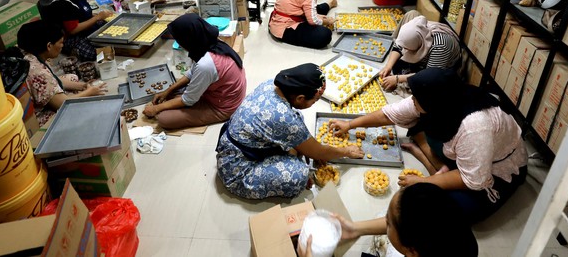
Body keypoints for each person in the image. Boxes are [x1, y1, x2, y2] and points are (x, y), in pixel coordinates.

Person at [330, 68, 527, 224]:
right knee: (420, 125)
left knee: (451, 211)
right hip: (469, 153)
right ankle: (438, 165)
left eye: (415, 98)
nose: (412, 101)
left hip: (496, 169)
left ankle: (432, 162)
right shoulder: (441, 96)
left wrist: (424, 182)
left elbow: (473, 179)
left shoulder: (475, 126)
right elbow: (388, 114)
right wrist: (350, 124)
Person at [216, 64, 364, 199]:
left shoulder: (271, 85)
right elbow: (318, 152)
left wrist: (306, 149)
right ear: (300, 98)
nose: (313, 104)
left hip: (237, 141)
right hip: (237, 167)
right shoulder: (284, 119)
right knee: (298, 175)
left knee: (298, 118)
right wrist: (346, 151)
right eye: (314, 101)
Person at [298, 183, 478, 257]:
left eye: (388, 222)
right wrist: (356, 228)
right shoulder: (453, 229)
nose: (385, 221)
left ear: (411, 250)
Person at [143, 13, 246, 129]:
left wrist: (156, 109)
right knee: (173, 95)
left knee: (164, 119)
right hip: (222, 93)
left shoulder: (206, 64)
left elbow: (188, 100)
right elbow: (192, 73)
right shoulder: (208, 42)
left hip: (224, 107)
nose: (181, 45)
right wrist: (168, 90)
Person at [17, 20, 107, 126]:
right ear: (49, 46)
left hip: (40, 89)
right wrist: (89, 92)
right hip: (35, 118)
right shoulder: (37, 71)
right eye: (61, 42)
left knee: (72, 78)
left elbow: (54, 80)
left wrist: (83, 86)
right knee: (77, 110)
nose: (62, 46)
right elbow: (62, 104)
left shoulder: (28, 51)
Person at [378, 13, 461, 91]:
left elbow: (429, 75)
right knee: (395, 64)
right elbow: (398, 47)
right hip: (424, 54)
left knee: (423, 87)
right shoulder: (417, 31)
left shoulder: (440, 46)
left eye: (408, 49)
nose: (405, 51)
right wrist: (388, 66)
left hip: (440, 67)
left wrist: (397, 79)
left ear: (419, 46)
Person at [45, 0, 112, 61]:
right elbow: (73, 30)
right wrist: (97, 17)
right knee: (94, 54)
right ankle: (75, 51)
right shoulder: (63, 3)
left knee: (109, 28)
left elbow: (84, 14)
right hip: (71, 37)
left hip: (85, 28)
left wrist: (98, 17)